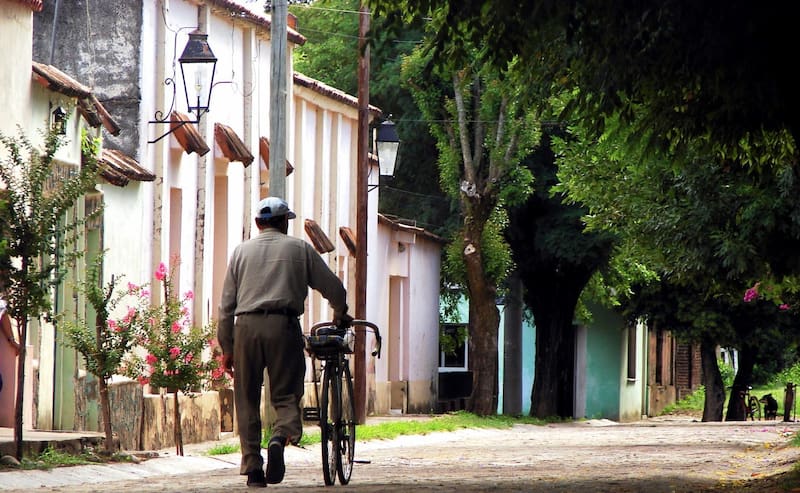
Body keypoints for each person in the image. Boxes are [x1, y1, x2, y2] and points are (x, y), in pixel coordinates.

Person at [217, 196, 352, 488]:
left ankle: (253, 468)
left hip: (246, 328)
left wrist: (227, 348)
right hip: (283, 325)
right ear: (284, 223)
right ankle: (279, 436)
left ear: (257, 223)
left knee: (246, 399)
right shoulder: (299, 249)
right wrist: (340, 314)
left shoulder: (240, 253)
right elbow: (334, 289)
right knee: (286, 395)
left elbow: (226, 305)